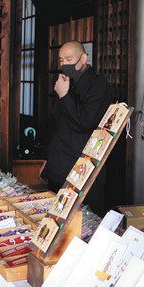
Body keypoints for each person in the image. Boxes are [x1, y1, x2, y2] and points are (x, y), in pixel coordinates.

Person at [41, 41, 111, 214]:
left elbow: (86, 122)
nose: (64, 64)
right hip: (58, 165)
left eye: (69, 59)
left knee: (82, 220)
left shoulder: (98, 85)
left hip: (80, 168)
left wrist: (64, 96)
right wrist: (47, 159)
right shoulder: (67, 82)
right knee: (55, 219)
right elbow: (56, 125)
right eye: (61, 60)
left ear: (83, 59)